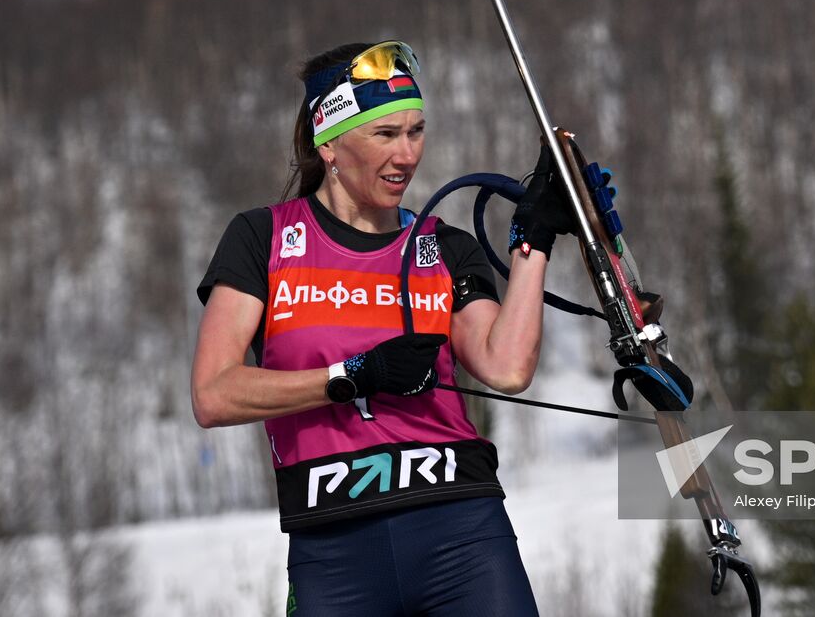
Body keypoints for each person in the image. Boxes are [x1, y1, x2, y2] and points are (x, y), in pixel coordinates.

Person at [190, 41, 574, 616]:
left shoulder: (441, 245)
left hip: (460, 531)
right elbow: (213, 393)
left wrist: (534, 240)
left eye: (416, 131)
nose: (407, 154)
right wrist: (351, 376)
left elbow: (507, 365)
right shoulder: (263, 239)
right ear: (330, 143)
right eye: (385, 134)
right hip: (335, 548)